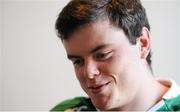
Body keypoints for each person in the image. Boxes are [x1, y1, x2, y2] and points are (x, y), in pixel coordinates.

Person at [51, 0, 180, 111]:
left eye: (102, 55)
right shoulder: (66, 109)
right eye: (78, 61)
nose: (89, 73)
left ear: (142, 43)